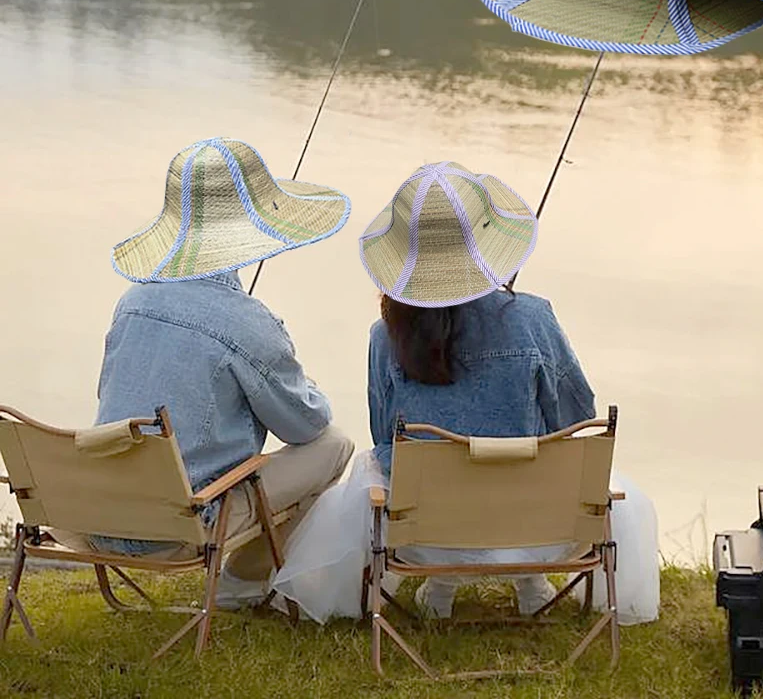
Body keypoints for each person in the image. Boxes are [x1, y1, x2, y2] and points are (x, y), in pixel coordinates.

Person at [273, 161, 659, 624]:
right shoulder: (534, 318)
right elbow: (575, 418)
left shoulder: (386, 336)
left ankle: (442, 584)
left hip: (422, 538)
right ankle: (530, 581)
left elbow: (386, 437)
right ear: (484, 242)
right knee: (562, 455)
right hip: (541, 530)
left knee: (389, 467)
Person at [86, 136, 355, 610]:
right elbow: (306, 426)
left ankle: (241, 582)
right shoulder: (248, 322)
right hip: (182, 525)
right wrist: (292, 374)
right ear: (255, 233)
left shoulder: (132, 302)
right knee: (335, 444)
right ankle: (240, 584)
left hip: (101, 512)